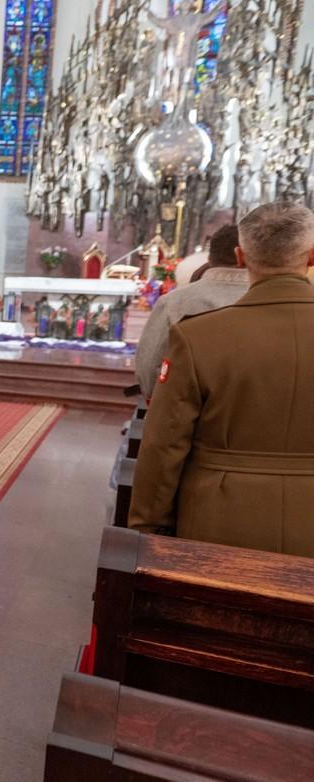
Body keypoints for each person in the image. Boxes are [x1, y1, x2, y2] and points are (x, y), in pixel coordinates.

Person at [129, 202, 314, 558]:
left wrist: (148, 527)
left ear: (240, 257)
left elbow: (164, 444)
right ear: (311, 257)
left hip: (217, 519)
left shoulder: (198, 337)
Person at [134, 224, 248, 399]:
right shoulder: (275, 300)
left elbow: (148, 369)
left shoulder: (174, 302)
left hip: (186, 407)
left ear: (209, 257)